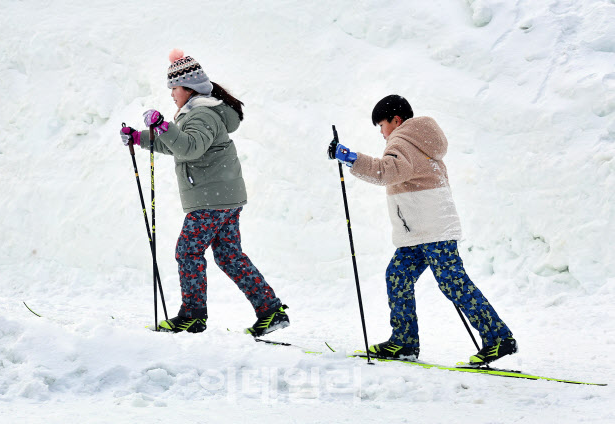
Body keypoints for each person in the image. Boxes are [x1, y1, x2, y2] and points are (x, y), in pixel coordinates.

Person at [327, 95, 517, 365]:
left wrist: (350, 157)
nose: (382, 133)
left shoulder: (403, 141)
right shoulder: (418, 141)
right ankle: (403, 342)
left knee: (453, 282)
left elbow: (387, 171)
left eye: (381, 125)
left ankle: (498, 337)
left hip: (432, 229)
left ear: (396, 120)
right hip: (420, 230)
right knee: (398, 276)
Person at [120, 49, 288, 336]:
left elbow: (188, 147)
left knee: (188, 251)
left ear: (189, 88)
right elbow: (178, 144)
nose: (172, 94)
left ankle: (193, 315)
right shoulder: (197, 113)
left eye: (174, 88)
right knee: (228, 255)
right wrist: (141, 138)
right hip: (223, 196)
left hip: (212, 199)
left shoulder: (202, 115)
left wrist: (163, 125)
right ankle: (270, 310)